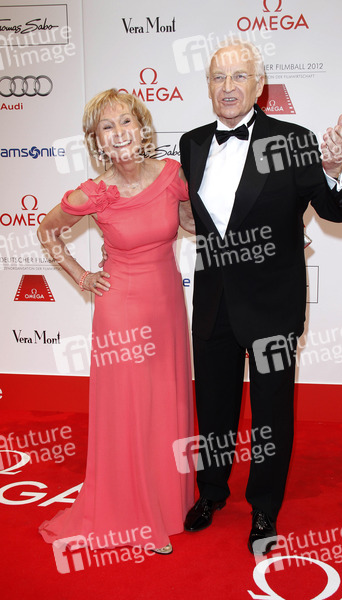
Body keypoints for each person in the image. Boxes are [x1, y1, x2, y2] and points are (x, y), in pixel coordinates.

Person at [179, 39, 342, 554]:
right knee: (213, 407)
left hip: (272, 306)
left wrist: (333, 170)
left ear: (259, 86)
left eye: (239, 76)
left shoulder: (293, 140)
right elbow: (191, 215)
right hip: (212, 303)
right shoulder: (192, 143)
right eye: (219, 77)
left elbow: (339, 212)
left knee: (270, 415)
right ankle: (211, 492)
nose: (228, 87)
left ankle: (264, 507)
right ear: (208, 86)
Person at [37, 89, 194, 555]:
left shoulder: (172, 175)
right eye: (107, 127)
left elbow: (191, 222)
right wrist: (82, 276)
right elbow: (47, 231)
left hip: (167, 303)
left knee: (165, 402)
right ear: (97, 141)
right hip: (121, 309)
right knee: (131, 410)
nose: (119, 133)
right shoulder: (94, 193)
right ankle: (140, 518)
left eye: (126, 121)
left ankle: (169, 502)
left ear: (142, 128)